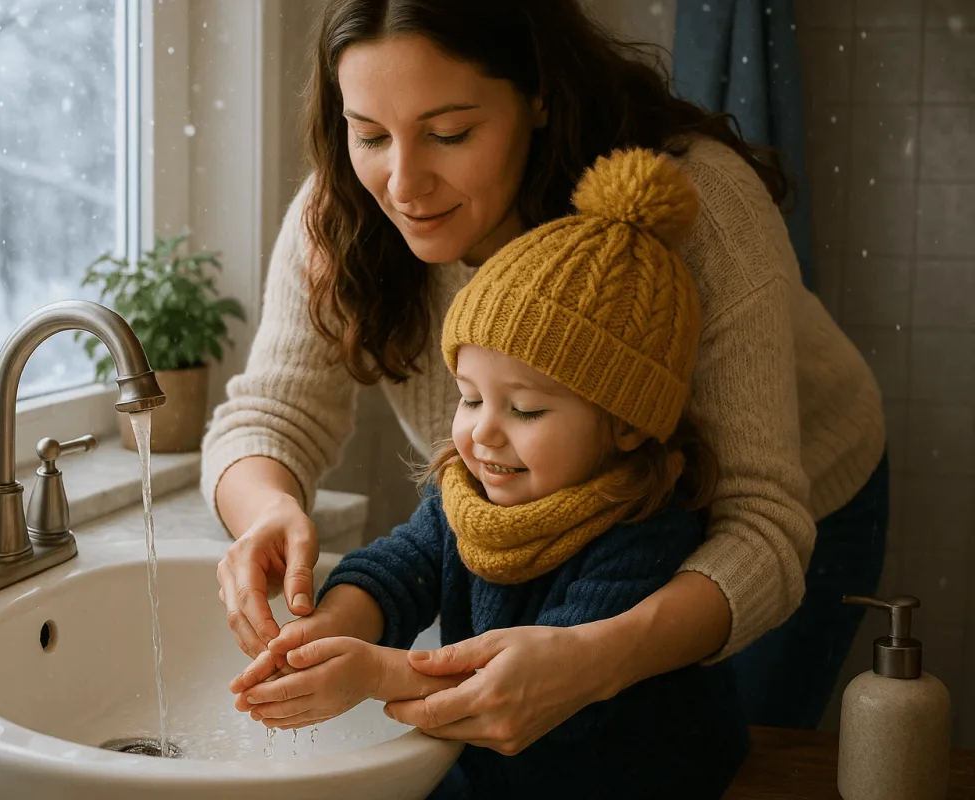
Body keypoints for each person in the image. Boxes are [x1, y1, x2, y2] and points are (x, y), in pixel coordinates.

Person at [205, 0, 887, 743]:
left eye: (449, 133)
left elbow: (762, 524)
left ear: (537, 94)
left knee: (726, 752)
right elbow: (270, 415)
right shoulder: (343, 212)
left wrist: (596, 660)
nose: (402, 183)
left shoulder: (700, 203)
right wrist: (267, 510)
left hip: (784, 513)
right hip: (537, 510)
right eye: (368, 133)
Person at [230, 149, 749, 799]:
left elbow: (529, 687)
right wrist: (329, 630)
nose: (482, 431)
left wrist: (371, 673)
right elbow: (399, 570)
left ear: (626, 424)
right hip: (496, 771)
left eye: (526, 408)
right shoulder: (469, 492)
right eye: (469, 397)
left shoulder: (645, 530)